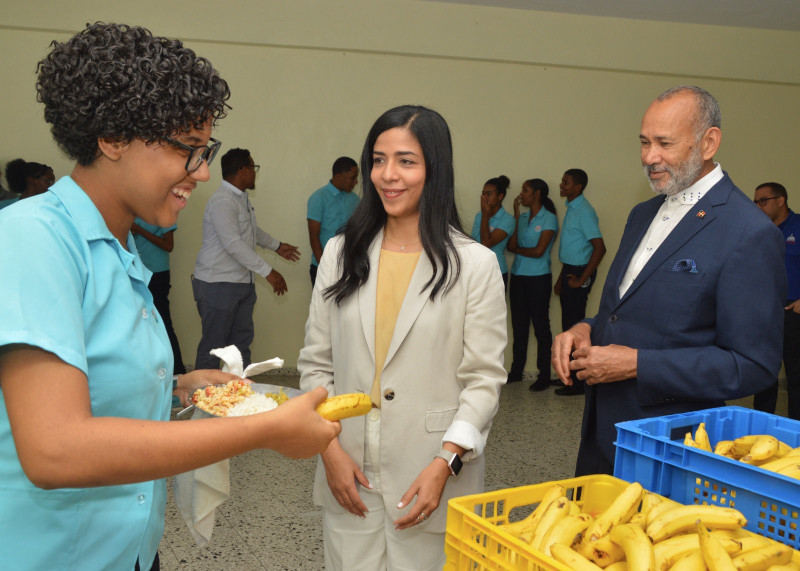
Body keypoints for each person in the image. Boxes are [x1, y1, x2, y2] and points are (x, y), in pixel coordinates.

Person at [0, 23, 339, 570]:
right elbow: (55, 448)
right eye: (188, 151)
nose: (202, 173)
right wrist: (264, 430)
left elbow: (97, 384)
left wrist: (181, 389)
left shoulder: (119, 247)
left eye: (207, 152)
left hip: (129, 551)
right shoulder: (33, 238)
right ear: (111, 137)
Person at [298, 105, 507, 570]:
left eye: (406, 161)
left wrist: (445, 464)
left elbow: (484, 380)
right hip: (349, 470)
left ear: (435, 169)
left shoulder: (473, 265)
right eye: (378, 159)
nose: (387, 175)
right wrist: (328, 451)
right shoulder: (340, 252)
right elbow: (316, 365)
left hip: (429, 475)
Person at [552, 85, 785, 477]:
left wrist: (638, 365)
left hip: (672, 448)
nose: (649, 157)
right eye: (643, 142)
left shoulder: (749, 232)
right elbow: (626, 312)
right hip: (600, 434)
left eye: (663, 143)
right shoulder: (642, 213)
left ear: (709, 142)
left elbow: (753, 365)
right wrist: (583, 328)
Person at [192, 148, 300, 370]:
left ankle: (237, 398)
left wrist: (277, 246)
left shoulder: (240, 198)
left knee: (241, 347)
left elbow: (252, 231)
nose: (255, 173)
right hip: (217, 284)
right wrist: (268, 272)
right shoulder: (223, 201)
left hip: (241, 284)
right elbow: (234, 244)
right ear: (243, 169)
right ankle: (202, 399)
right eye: (253, 167)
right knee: (214, 348)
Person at [553, 168, 606, 396]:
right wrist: (561, 279)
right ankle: (569, 376)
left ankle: (579, 381)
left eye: (566, 182)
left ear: (578, 187)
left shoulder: (584, 210)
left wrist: (581, 278)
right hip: (569, 271)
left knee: (575, 327)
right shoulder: (571, 208)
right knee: (567, 324)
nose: (561, 185)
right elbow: (572, 249)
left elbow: (600, 248)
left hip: (579, 272)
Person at [752, 182, 800, 419]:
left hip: (793, 313)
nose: (758, 206)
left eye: (763, 201)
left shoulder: (798, 226)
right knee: (763, 375)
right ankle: (761, 426)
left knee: (796, 376)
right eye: (756, 202)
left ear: (781, 201)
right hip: (764, 314)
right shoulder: (758, 231)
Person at [506, 179, 558, 390]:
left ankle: (544, 376)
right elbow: (511, 245)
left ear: (537, 194)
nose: (521, 194)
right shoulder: (523, 217)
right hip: (518, 276)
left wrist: (520, 250)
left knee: (540, 327)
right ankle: (516, 371)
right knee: (519, 327)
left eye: (525, 190)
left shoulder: (549, 219)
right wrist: (517, 217)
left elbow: (538, 252)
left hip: (538, 278)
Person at [132, 218, 186, 376]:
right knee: (142, 325)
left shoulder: (162, 212)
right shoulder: (133, 209)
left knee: (162, 323)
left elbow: (168, 245)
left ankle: (178, 372)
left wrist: (139, 229)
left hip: (157, 273)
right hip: (137, 271)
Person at [307, 156, 360, 285]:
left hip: (348, 269)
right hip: (323, 267)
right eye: (352, 178)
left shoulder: (355, 200)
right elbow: (314, 238)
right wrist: (325, 268)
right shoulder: (318, 198)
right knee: (322, 306)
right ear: (340, 176)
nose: (356, 182)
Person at [470, 175, 516, 289]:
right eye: (483, 193)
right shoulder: (479, 216)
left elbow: (485, 244)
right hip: (477, 271)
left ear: (500, 196)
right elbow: (474, 243)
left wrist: (485, 215)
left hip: (496, 272)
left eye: (489, 194)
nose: (484, 197)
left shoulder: (507, 219)